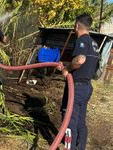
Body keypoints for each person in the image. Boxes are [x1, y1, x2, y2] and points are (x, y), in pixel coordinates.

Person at [61, 13, 100, 150]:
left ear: (77, 25)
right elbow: (94, 68)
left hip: (76, 88)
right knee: (81, 121)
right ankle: (80, 147)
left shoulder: (81, 40)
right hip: (87, 87)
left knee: (70, 120)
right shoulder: (94, 43)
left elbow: (80, 60)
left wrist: (67, 69)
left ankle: (69, 148)